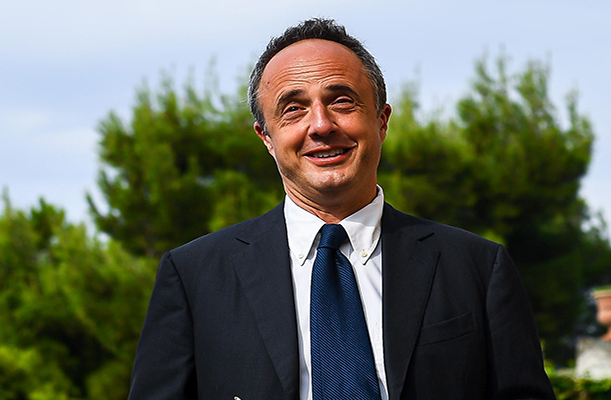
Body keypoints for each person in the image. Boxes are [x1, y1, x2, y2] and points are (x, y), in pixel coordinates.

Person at [128, 18, 555, 400]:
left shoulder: (478, 268)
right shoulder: (193, 276)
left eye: (342, 101)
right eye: (293, 109)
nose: (320, 125)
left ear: (382, 120)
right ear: (266, 138)